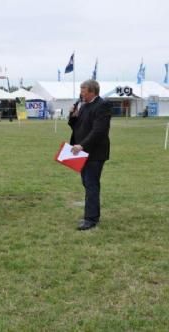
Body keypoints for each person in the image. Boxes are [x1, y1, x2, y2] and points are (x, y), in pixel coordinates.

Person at [68, 80, 112, 231]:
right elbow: (77, 126)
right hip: (81, 152)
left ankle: (90, 219)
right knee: (87, 184)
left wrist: (83, 145)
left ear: (93, 91)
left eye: (84, 90)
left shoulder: (102, 106)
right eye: (81, 90)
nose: (81, 93)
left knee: (91, 184)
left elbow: (99, 130)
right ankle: (93, 214)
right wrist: (73, 115)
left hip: (94, 152)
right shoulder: (84, 105)